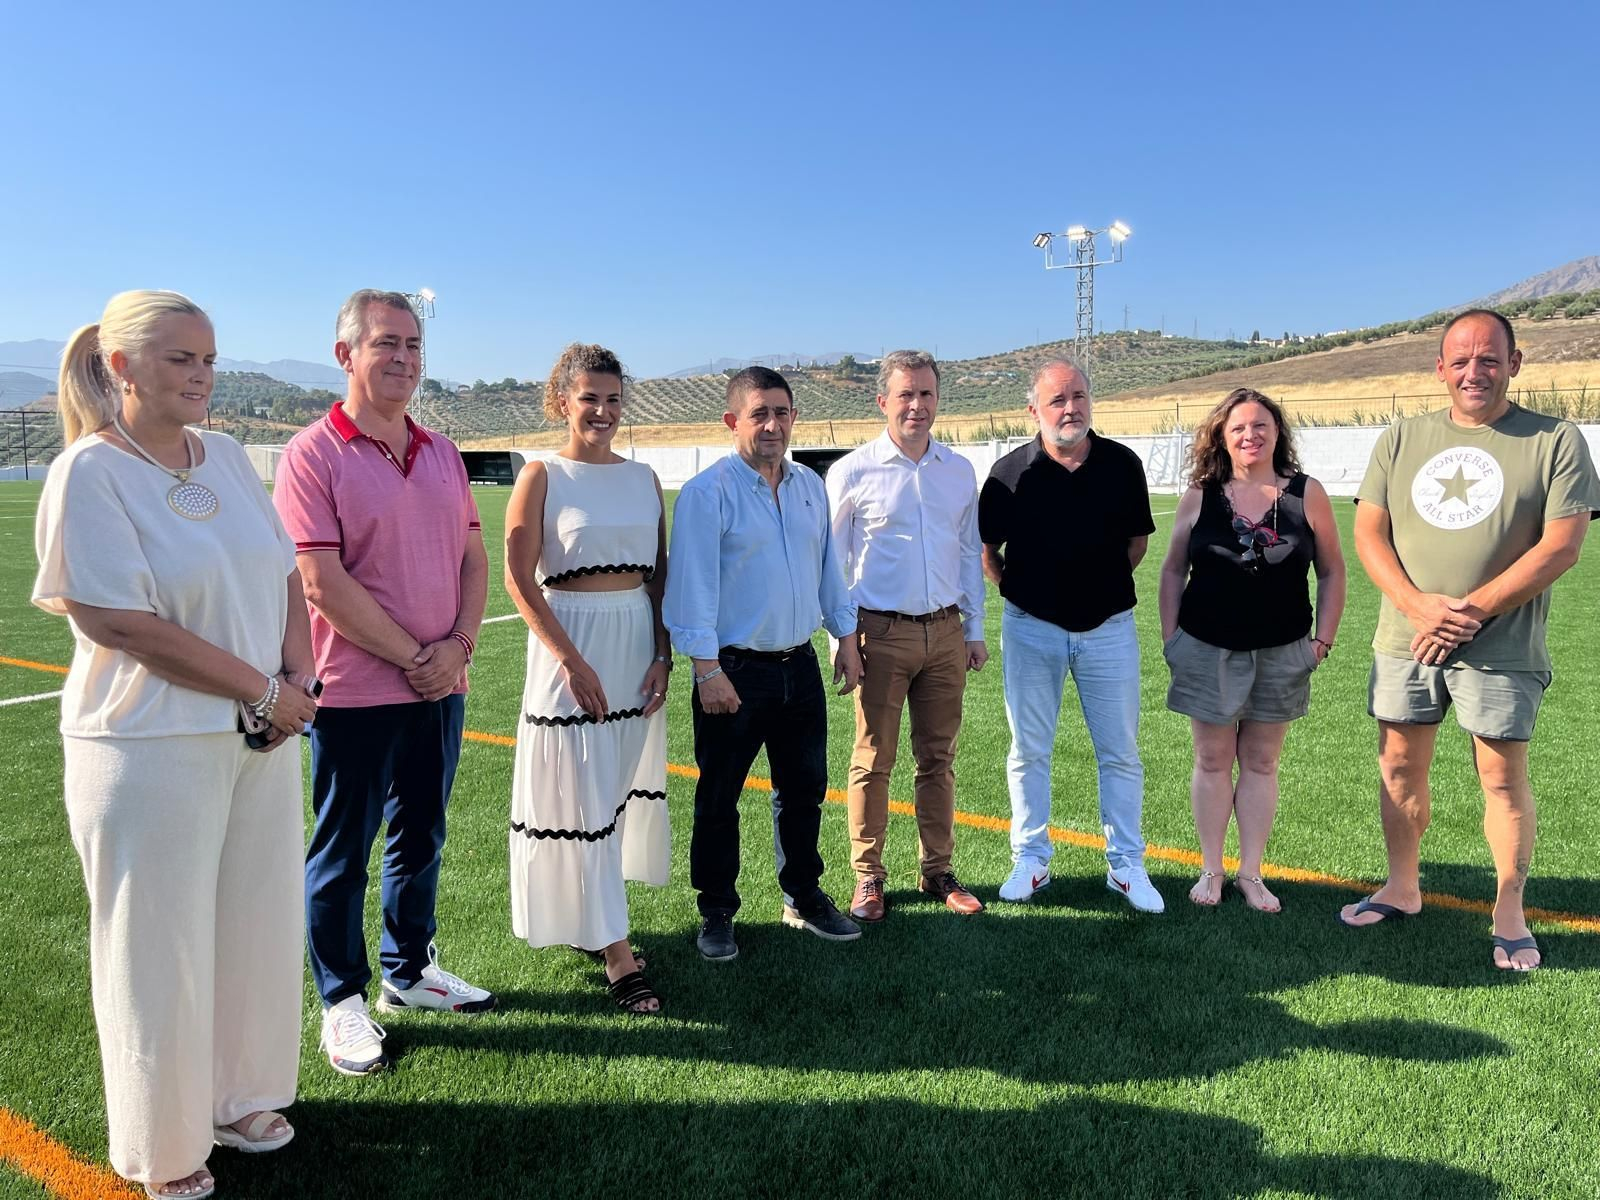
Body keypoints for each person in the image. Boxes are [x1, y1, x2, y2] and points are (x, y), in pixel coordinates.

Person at [32, 290, 316, 1200]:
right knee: (157, 948)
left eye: (208, 359)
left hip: (261, 735)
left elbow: (283, 575)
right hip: (148, 746)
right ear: (121, 367)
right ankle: (161, 1143)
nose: (201, 376)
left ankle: (240, 1098)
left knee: (255, 924)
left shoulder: (229, 457)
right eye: (179, 360)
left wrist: (296, 686)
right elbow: (120, 620)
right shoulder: (90, 471)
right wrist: (265, 691)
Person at [273, 289, 493, 1077]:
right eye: (385, 344)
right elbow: (320, 581)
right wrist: (415, 653)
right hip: (355, 694)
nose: (402, 358)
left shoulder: (439, 451)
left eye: (412, 345)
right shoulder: (309, 454)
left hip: (441, 685)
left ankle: (408, 970)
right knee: (342, 851)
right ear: (346, 356)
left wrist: (458, 646)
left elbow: (474, 558)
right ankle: (341, 1000)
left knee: (421, 835)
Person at [1338, 309, 1600, 969]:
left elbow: (1563, 546)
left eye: (1489, 359)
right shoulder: (1402, 438)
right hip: (1406, 639)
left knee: (1502, 778)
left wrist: (1472, 611)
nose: (1474, 371)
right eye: (1461, 360)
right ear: (1440, 369)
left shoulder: (1555, 439)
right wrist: (1418, 606)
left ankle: (1509, 907)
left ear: (1515, 363)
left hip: (1502, 645)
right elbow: (1370, 532)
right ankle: (1402, 887)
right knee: (1398, 767)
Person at [665, 366, 863, 960]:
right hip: (734, 670)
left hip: (798, 666)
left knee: (803, 790)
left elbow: (828, 569)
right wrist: (706, 669)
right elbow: (692, 587)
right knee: (719, 795)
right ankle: (718, 911)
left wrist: (847, 639)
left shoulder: (808, 485)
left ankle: (803, 894)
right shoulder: (709, 493)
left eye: (782, 412)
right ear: (733, 422)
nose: (773, 425)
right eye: (759, 414)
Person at [503, 344, 671, 1014]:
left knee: (610, 797)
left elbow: (659, 576)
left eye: (612, 399)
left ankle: (597, 925)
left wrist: (662, 652)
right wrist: (569, 659)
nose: (602, 412)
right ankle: (617, 953)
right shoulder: (542, 474)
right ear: (562, 402)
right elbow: (519, 576)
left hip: (634, 641)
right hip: (568, 644)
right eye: (589, 399)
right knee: (575, 796)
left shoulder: (645, 478)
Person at [980, 359, 1164, 913]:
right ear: (1033, 409)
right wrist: (1031, 597)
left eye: (1079, 396)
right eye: (1057, 400)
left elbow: (1137, 544)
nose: (1070, 408)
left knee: (1120, 752)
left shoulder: (1122, 464)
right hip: (1031, 630)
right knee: (1029, 751)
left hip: (1109, 629)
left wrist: (1096, 590)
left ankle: (1126, 865)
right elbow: (989, 555)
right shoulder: (1008, 473)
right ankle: (1031, 860)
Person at [1157, 388, 1346, 912]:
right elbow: (1173, 568)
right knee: (1213, 760)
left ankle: (1251, 873)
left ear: (1277, 432)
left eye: (1261, 425)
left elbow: (1331, 570)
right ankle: (1212, 870)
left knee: (1261, 763)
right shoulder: (1200, 494)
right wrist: (1171, 637)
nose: (1250, 435)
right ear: (1222, 434)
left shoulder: (1307, 493)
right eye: (1238, 426)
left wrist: (1321, 642)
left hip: (1283, 650)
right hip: (1205, 647)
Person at [825, 349, 987, 921]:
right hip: (879, 634)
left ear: (938, 400)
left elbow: (969, 553)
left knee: (938, 759)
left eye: (926, 394)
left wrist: (974, 628)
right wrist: (842, 640)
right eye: (905, 395)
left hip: (945, 633)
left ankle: (937, 870)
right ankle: (868, 877)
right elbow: (834, 564)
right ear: (883, 402)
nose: (916, 405)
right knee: (873, 759)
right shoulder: (851, 471)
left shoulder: (959, 471)